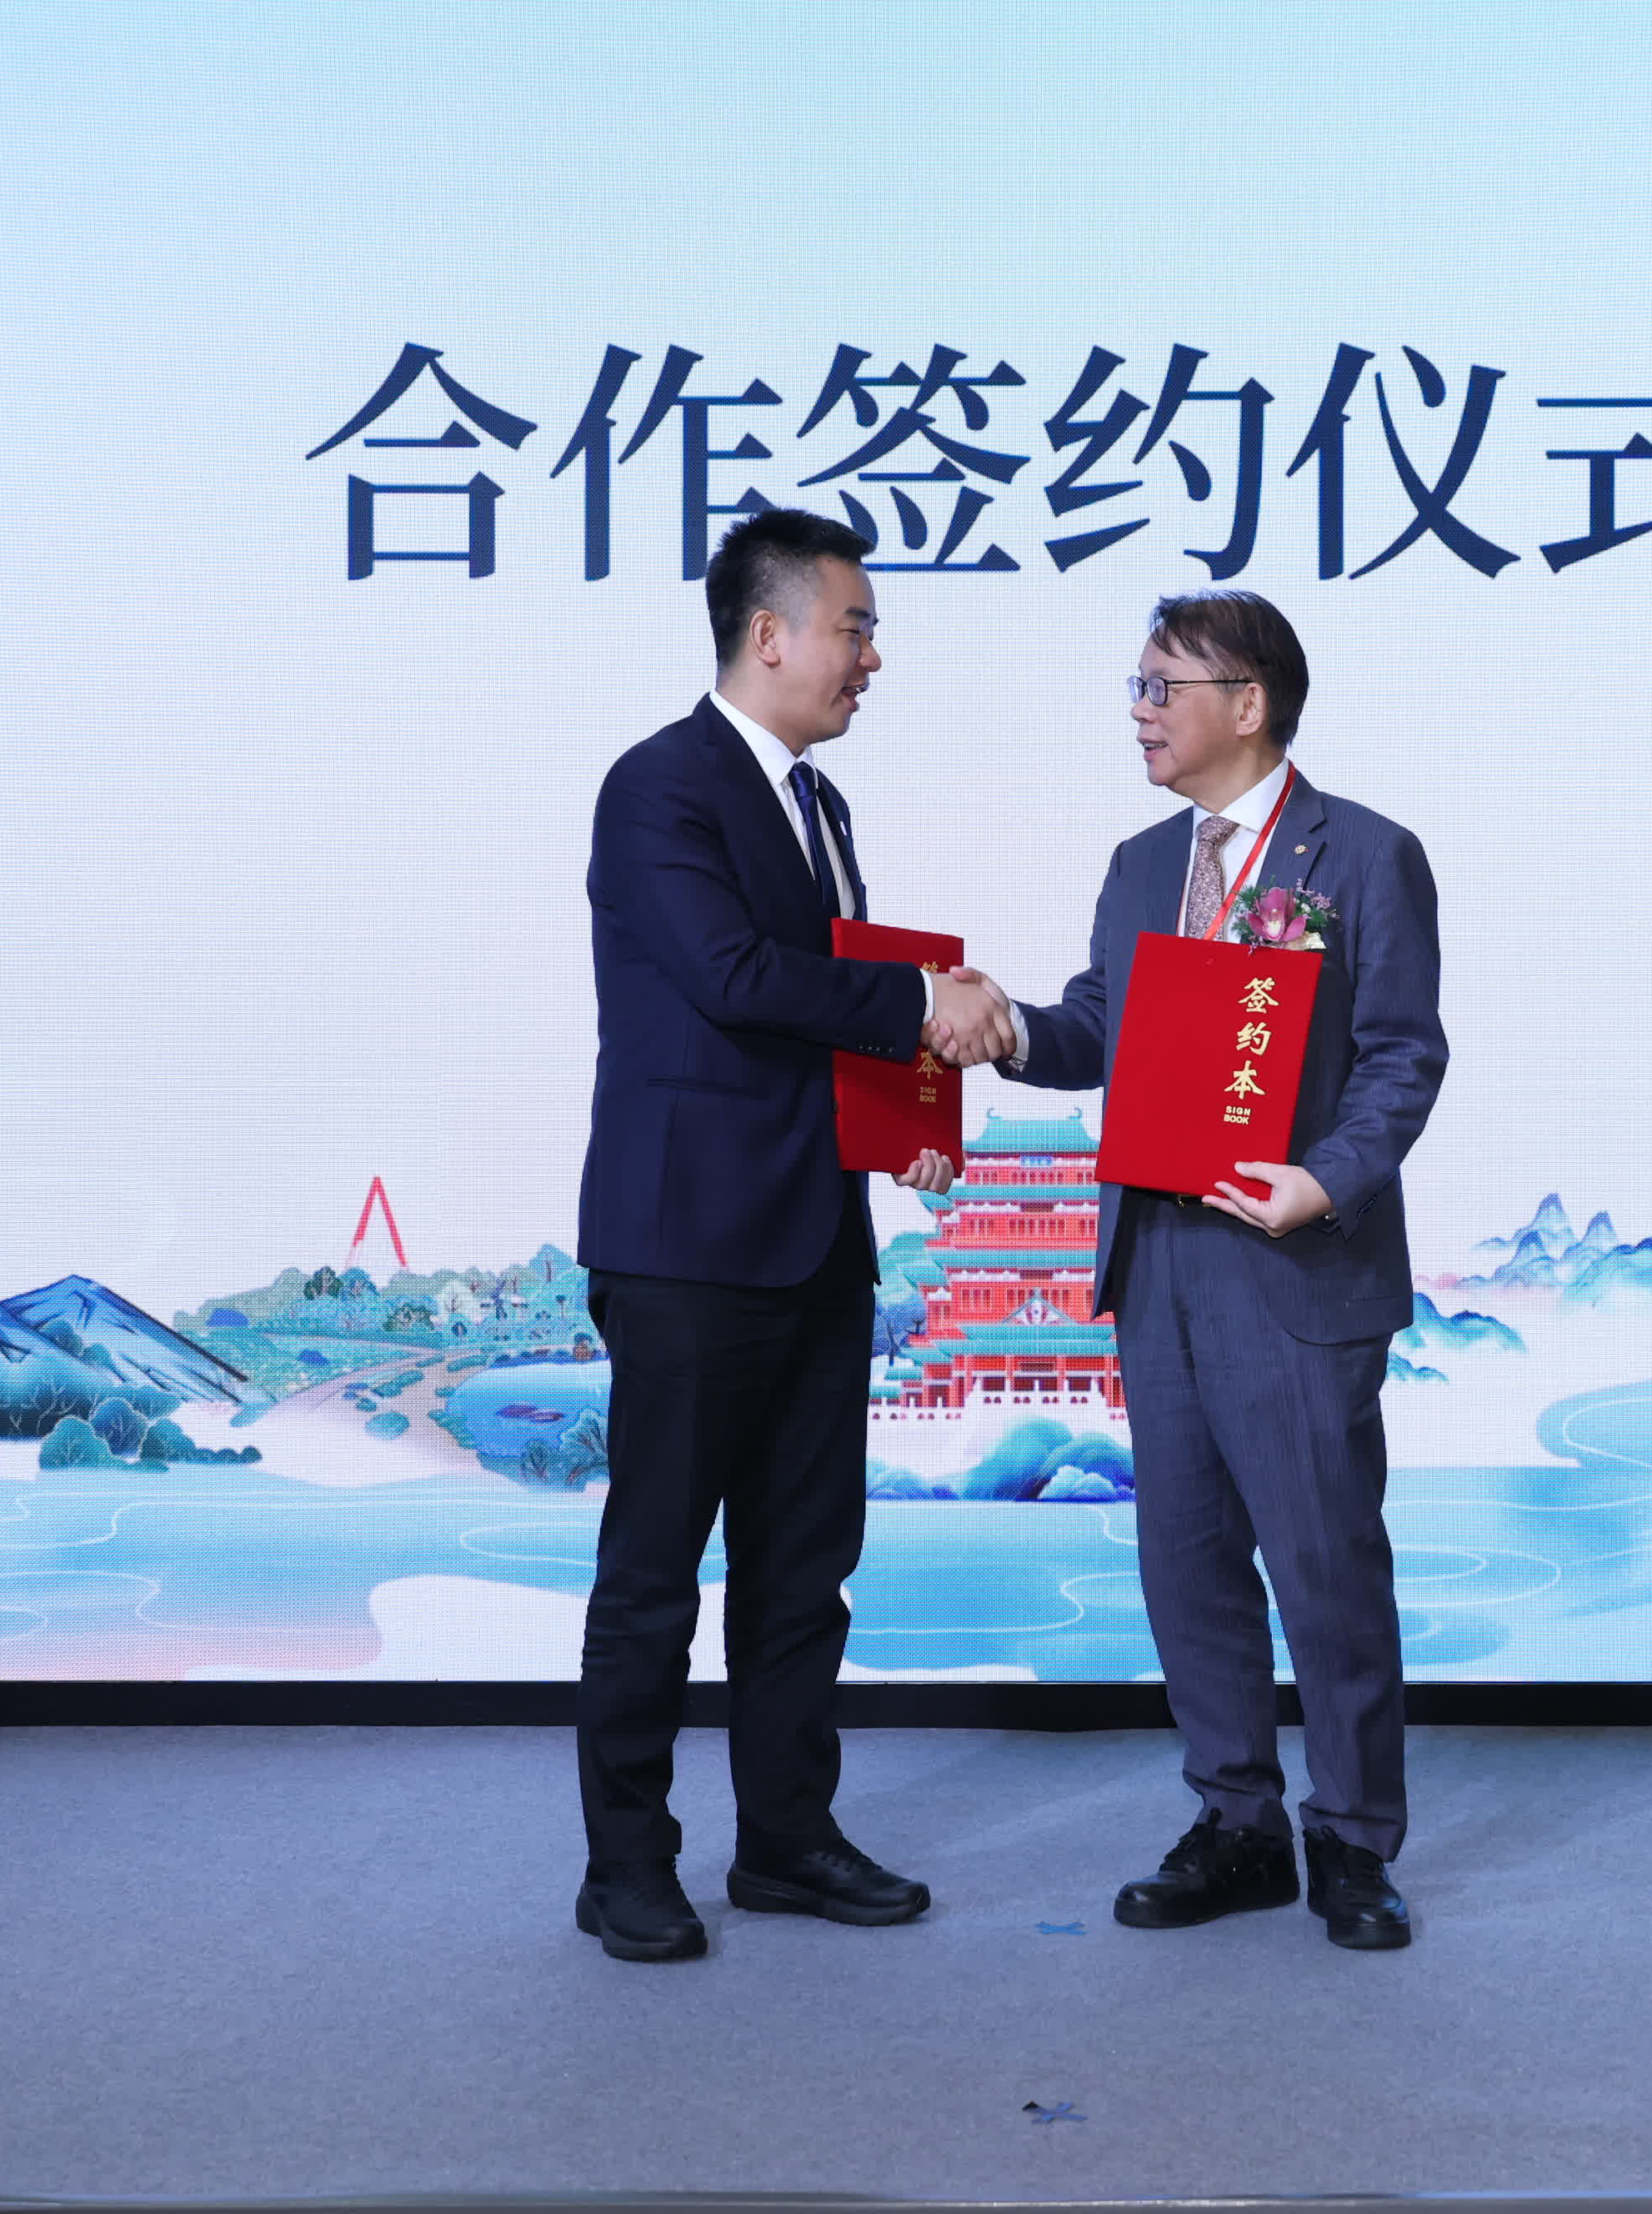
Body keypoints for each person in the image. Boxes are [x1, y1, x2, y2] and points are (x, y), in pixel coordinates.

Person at [572, 508, 1014, 1962]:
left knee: (802, 1567)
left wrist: (907, 1125)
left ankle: (786, 1840)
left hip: (819, 1235)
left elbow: (816, 1027)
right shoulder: (661, 785)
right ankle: (626, 1865)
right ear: (770, 635)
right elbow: (732, 975)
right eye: (857, 628)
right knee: (655, 1574)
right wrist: (924, 1004)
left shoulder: (821, 806)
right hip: (687, 1245)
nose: (872, 659)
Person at [975, 591, 1444, 1949]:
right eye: (1135, 687)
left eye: (1161, 687)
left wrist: (1326, 1179)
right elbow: (1103, 1027)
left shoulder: (1365, 854)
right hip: (1162, 1255)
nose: (1139, 711)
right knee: (1185, 1562)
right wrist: (1007, 1032)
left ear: (1249, 702)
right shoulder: (1140, 866)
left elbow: (1403, 1054)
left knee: (1324, 1563)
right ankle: (1235, 1822)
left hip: (1294, 1259)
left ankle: (1352, 1839)